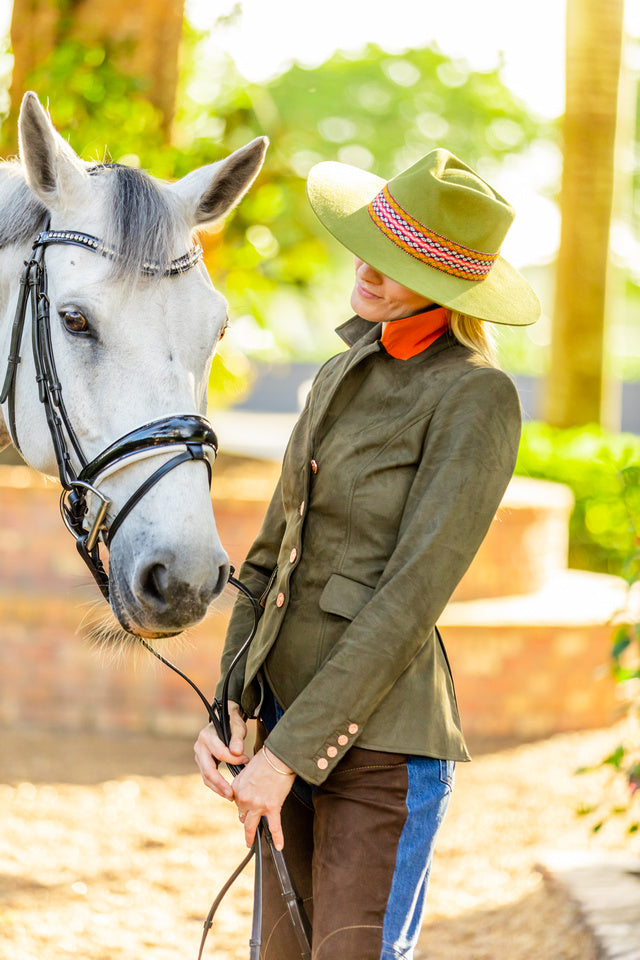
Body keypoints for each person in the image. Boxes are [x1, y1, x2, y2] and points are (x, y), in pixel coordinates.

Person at [194, 148, 541, 960]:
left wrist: (286, 755)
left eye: (399, 262)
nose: (369, 271)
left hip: (383, 750)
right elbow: (271, 558)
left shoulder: (474, 397)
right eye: (373, 247)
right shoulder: (342, 371)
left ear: (450, 285)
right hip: (282, 723)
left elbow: (409, 600)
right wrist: (230, 706)